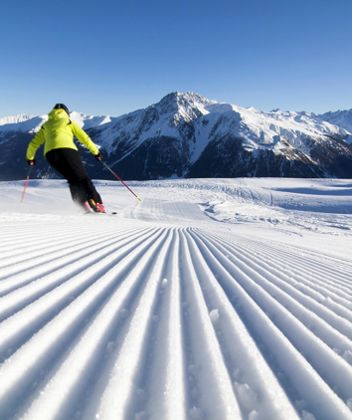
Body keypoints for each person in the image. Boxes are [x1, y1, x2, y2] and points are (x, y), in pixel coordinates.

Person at [26, 103, 106, 213]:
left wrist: (30, 158)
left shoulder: (46, 125)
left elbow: (33, 144)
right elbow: (84, 138)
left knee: (72, 180)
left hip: (50, 155)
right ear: (66, 112)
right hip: (67, 151)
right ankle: (98, 204)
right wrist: (96, 152)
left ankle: (81, 205)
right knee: (83, 178)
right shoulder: (69, 122)